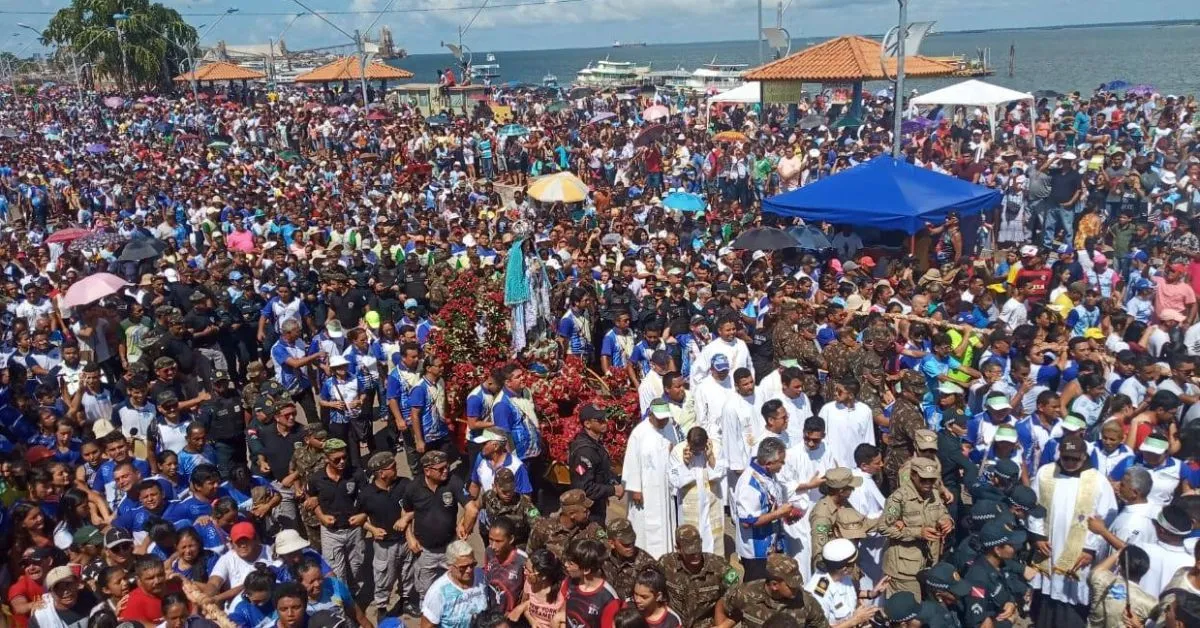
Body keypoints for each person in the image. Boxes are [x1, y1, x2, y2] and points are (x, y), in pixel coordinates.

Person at [1028, 434, 1119, 628]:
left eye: (1074, 459)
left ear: (1084, 457)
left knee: (1072, 593)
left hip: (1080, 550)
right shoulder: (1046, 473)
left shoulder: (1097, 481)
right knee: (1048, 590)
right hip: (1049, 544)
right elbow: (1034, 506)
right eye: (1065, 458)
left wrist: (1090, 548)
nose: (1069, 463)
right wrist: (1038, 536)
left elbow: (1105, 518)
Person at [403, 450, 471, 601]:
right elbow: (405, 512)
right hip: (424, 551)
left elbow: (472, 508)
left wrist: (463, 525)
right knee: (426, 594)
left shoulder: (453, 482)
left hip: (450, 548)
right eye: (441, 469)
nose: (446, 470)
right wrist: (409, 537)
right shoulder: (413, 488)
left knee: (456, 588)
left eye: (446, 466)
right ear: (427, 471)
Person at [881, 457, 953, 598]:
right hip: (905, 569)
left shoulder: (934, 495)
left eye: (931, 480)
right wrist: (917, 533)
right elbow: (884, 527)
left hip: (929, 562)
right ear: (913, 475)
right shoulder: (898, 499)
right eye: (923, 479)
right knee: (909, 610)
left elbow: (942, 512)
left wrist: (947, 521)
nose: (928, 483)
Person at [624, 399, 683, 559]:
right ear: (651, 414)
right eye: (660, 419)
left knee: (666, 524)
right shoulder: (639, 433)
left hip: (665, 489)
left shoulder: (669, 427)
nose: (663, 421)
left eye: (665, 418)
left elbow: (676, 451)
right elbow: (632, 462)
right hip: (646, 490)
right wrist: (635, 488)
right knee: (646, 527)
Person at [714, 554, 829, 628]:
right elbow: (722, 605)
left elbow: (821, 625)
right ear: (774, 585)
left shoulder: (806, 601)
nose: (797, 588)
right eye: (791, 586)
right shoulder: (746, 593)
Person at [733, 437, 791, 582]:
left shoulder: (768, 474)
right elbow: (748, 521)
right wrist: (779, 513)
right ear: (768, 463)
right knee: (756, 592)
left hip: (771, 545)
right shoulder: (749, 484)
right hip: (756, 552)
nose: (782, 465)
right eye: (781, 462)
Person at [658, 524, 739, 628]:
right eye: (690, 553)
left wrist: (724, 626)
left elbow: (742, 602)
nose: (696, 556)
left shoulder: (719, 567)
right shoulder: (666, 564)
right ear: (678, 548)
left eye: (698, 550)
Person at [668, 426, 726, 553]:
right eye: (695, 450)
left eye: (700, 450)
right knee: (691, 540)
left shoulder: (715, 447)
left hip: (712, 503)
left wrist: (710, 457)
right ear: (688, 443)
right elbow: (675, 481)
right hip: (690, 506)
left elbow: (720, 474)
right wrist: (685, 463)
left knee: (712, 541)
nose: (698, 453)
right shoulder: (678, 451)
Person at [568, 403, 623, 524]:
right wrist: (613, 490)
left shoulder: (595, 443)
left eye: (604, 419)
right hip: (587, 513)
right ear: (587, 424)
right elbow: (584, 488)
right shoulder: (584, 452)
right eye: (599, 420)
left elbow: (601, 472)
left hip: (597, 505)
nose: (604, 422)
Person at [603, 518, 656, 600]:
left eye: (632, 542)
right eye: (626, 544)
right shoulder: (602, 556)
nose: (631, 547)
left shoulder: (646, 564)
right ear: (612, 543)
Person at [28, 567, 99, 628]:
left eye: (68, 585)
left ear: (77, 583)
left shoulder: (93, 599)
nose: (65, 591)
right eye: (58, 588)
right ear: (50, 593)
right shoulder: (41, 618)